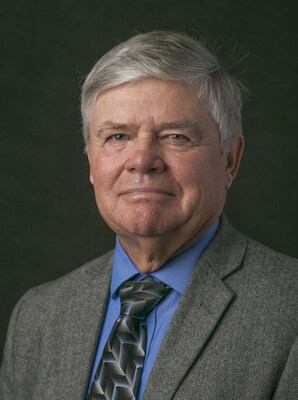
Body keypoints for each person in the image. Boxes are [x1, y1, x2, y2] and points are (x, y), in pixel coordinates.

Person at [0, 31, 297, 400]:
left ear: (230, 161)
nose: (142, 160)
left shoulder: (289, 313)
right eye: (117, 137)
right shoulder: (38, 317)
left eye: (175, 136)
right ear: (91, 162)